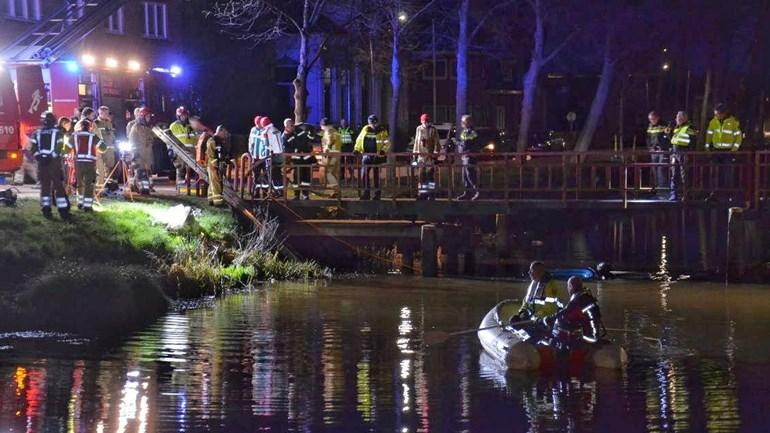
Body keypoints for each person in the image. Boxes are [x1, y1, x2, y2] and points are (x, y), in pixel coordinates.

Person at [543, 276, 605, 354]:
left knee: (559, 324)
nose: (568, 289)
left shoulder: (577, 298)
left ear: (571, 286)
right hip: (594, 332)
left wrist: (550, 319)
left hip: (589, 336)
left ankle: (560, 353)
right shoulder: (587, 296)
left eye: (568, 287)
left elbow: (566, 312)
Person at [28, 112, 70, 219]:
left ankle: (46, 209)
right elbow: (59, 146)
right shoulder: (58, 132)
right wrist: (51, 156)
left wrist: (39, 157)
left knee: (45, 186)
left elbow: (32, 148)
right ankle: (63, 210)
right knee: (58, 185)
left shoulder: (36, 132)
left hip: (42, 163)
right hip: (54, 162)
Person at [705, 103, 742, 201]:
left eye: (717, 114)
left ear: (724, 113)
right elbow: (709, 135)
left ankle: (728, 194)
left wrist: (734, 149)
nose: (716, 115)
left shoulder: (733, 122)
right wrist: (707, 148)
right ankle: (715, 193)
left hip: (728, 152)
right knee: (714, 173)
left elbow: (738, 136)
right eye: (715, 114)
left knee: (728, 173)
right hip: (716, 151)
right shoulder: (713, 122)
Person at [68, 119, 106, 211]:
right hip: (90, 163)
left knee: (80, 183)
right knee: (89, 184)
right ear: (90, 127)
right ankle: (88, 206)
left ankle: (80, 203)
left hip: (78, 163)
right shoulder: (93, 136)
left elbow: (66, 148)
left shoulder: (74, 135)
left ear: (80, 126)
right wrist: (96, 149)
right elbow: (103, 148)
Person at [354, 114, 389, 200]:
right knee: (364, 175)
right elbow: (359, 140)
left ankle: (377, 194)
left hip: (377, 156)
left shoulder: (382, 130)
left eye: (374, 123)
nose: (373, 125)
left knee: (376, 175)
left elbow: (387, 142)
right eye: (371, 123)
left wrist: (383, 151)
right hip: (367, 155)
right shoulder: (365, 129)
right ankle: (366, 193)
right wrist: (357, 149)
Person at [284, 118, 316, 200]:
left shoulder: (299, 130)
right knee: (297, 178)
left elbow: (308, 139)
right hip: (297, 160)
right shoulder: (285, 136)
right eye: (291, 125)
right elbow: (286, 149)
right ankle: (296, 195)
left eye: (293, 124)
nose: (293, 126)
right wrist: (296, 151)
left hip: (307, 159)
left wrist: (310, 129)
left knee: (307, 179)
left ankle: (305, 195)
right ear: (286, 127)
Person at [668, 111, 697, 201]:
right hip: (675, 153)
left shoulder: (690, 127)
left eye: (678, 118)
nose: (676, 119)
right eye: (677, 118)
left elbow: (693, 141)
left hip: (684, 153)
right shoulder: (677, 128)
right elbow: (674, 140)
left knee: (685, 175)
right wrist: (669, 134)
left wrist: (689, 153)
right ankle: (674, 194)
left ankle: (687, 195)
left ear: (684, 118)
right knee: (674, 175)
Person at [169, 106, 197, 191]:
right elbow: (169, 140)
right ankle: (181, 189)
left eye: (185, 115)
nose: (184, 117)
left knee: (192, 170)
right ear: (178, 116)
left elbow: (197, 138)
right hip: (179, 152)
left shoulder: (192, 126)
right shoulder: (173, 126)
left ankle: (192, 189)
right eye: (182, 115)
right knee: (180, 169)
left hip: (192, 152)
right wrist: (171, 151)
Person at [413, 113, 440, 200]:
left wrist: (435, 153)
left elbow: (437, 142)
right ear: (421, 121)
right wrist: (415, 154)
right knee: (421, 176)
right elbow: (417, 141)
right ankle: (422, 193)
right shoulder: (418, 129)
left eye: (427, 121)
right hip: (421, 156)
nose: (425, 123)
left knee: (430, 176)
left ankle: (431, 194)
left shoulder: (433, 130)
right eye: (424, 121)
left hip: (430, 156)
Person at [128, 107, 155, 194]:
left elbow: (151, 139)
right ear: (142, 117)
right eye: (147, 117)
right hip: (139, 155)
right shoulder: (136, 127)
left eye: (149, 117)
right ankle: (143, 189)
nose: (149, 118)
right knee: (141, 172)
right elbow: (132, 141)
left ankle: (141, 188)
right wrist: (135, 154)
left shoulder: (147, 128)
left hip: (147, 155)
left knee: (145, 172)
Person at [206, 125, 231, 207]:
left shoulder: (220, 141)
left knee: (212, 183)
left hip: (217, 165)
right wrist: (216, 165)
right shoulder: (212, 140)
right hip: (213, 166)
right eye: (224, 132)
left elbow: (222, 153)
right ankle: (218, 203)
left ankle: (211, 200)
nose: (226, 134)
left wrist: (226, 160)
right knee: (216, 183)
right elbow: (211, 155)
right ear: (220, 131)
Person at [456, 114, 480, 200]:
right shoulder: (465, 132)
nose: (461, 123)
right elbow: (463, 143)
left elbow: (466, 144)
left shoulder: (472, 132)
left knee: (470, 175)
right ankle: (467, 192)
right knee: (465, 176)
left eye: (463, 122)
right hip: (465, 157)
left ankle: (478, 192)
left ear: (468, 122)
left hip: (470, 156)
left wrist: (458, 143)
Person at [260, 117, 285, 197]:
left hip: (272, 156)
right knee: (277, 174)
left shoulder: (267, 131)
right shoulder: (275, 129)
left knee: (272, 174)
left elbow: (267, 144)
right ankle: (280, 191)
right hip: (280, 155)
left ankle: (277, 192)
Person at [94, 106, 117, 191]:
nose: (107, 114)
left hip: (110, 149)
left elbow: (111, 134)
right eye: (106, 113)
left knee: (110, 168)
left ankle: (108, 186)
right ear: (101, 113)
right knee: (100, 169)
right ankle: (100, 188)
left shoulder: (109, 123)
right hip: (100, 150)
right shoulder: (95, 123)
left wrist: (115, 142)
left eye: (108, 113)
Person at [646, 110, 668, 195]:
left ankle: (662, 189)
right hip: (653, 151)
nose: (652, 120)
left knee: (661, 170)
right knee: (654, 169)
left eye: (653, 119)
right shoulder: (650, 126)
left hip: (662, 150)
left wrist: (663, 147)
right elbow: (648, 138)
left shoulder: (663, 125)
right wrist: (650, 148)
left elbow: (666, 138)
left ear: (658, 118)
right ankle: (654, 188)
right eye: (650, 119)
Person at [248, 115, 269, 198]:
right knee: (256, 175)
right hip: (257, 157)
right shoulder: (254, 130)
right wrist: (252, 153)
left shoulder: (263, 130)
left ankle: (264, 193)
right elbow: (251, 142)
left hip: (263, 157)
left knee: (265, 175)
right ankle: (256, 193)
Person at [320, 117, 341, 196]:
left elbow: (329, 142)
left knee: (329, 173)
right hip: (336, 154)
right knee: (333, 173)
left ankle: (336, 190)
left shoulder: (329, 132)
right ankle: (334, 192)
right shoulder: (336, 132)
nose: (321, 127)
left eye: (321, 125)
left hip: (331, 155)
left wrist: (326, 150)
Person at [338, 118, 355, 184]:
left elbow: (354, 137)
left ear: (346, 123)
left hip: (349, 147)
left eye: (344, 122)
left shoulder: (350, 129)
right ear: (340, 123)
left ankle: (352, 176)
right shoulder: (338, 130)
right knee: (341, 162)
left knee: (350, 162)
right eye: (342, 122)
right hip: (341, 147)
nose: (343, 123)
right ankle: (342, 176)